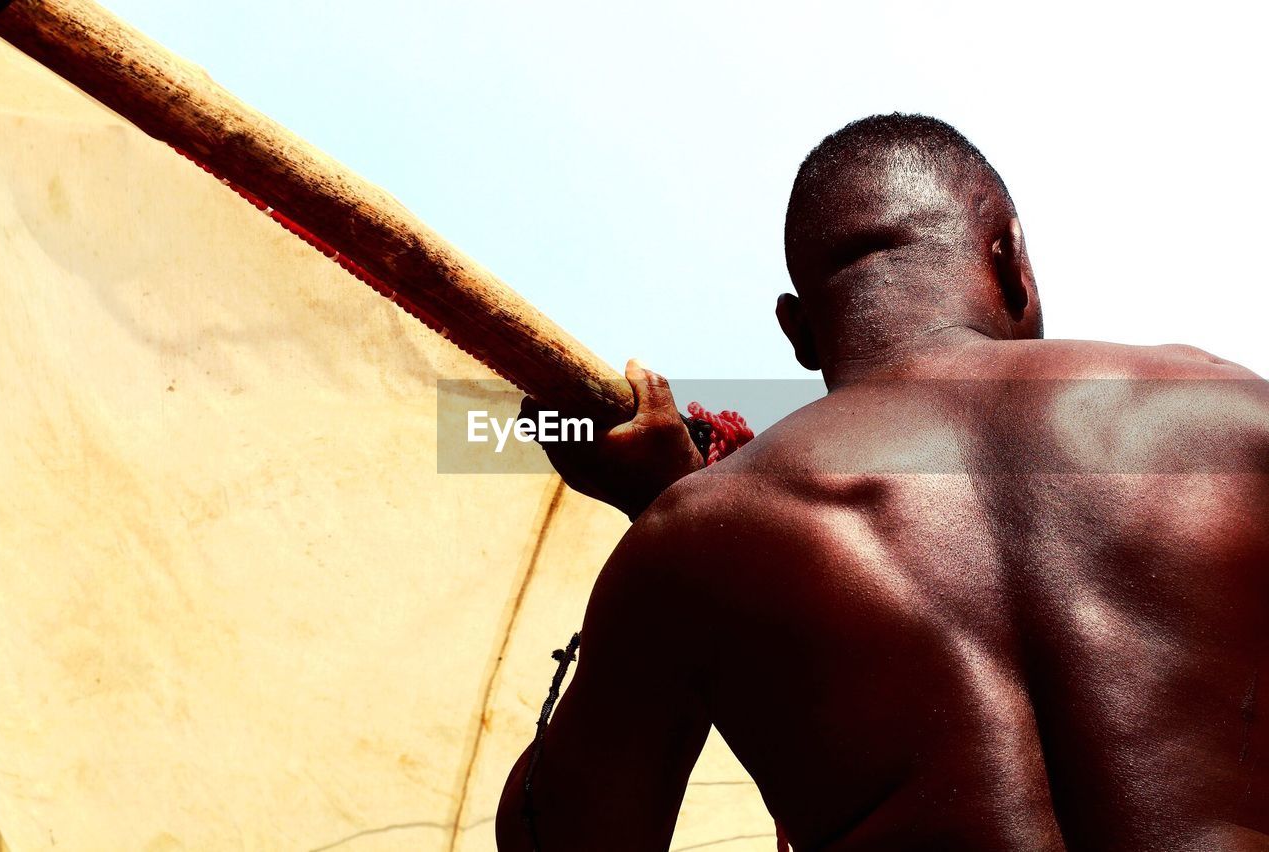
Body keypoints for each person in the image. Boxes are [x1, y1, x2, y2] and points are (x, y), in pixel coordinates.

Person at [496, 114, 1269, 851]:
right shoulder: (1235, 416)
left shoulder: (695, 538)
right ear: (1012, 262)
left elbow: (558, 840)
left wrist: (663, 521)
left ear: (798, 333)